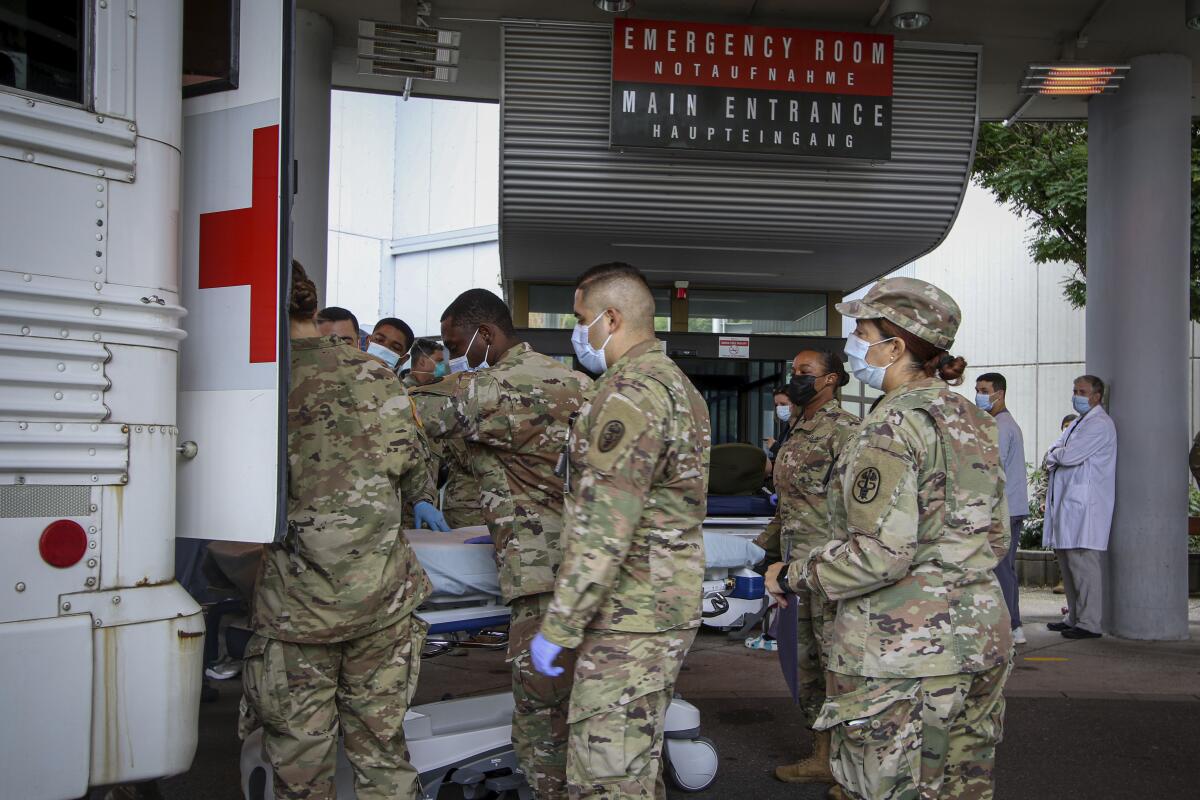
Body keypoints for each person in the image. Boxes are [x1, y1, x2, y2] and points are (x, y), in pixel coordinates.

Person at [765, 277, 1013, 800]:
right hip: (981, 639)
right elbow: (997, 536)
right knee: (961, 789)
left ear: (896, 347)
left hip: (904, 651)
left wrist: (791, 574)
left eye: (861, 333)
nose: (854, 346)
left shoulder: (890, 426)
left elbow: (878, 554)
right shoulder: (973, 419)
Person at [240, 262, 450, 800]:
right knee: (383, 753)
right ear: (313, 306)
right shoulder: (377, 376)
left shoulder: (260, 380)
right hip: (382, 601)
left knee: (300, 768)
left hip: (297, 611)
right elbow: (414, 471)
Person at [530, 262, 711, 799]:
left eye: (581, 317)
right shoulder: (678, 387)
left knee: (605, 777)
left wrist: (560, 627)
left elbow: (604, 527)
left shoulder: (629, 393)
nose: (577, 331)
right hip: (656, 609)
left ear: (610, 319)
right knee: (634, 762)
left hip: (629, 616)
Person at [418, 288, 591, 798]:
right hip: (587, 561)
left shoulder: (491, 387)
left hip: (541, 572)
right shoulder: (576, 381)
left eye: (456, 342)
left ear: (486, 334)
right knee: (584, 695)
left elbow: (405, 416)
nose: (454, 353)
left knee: (542, 710)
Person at [755, 350, 859, 787]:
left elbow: (858, 508)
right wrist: (764, 553)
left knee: (840, 665)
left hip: (831, 569)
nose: (794, 378)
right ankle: (821, 754)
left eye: (805, 373)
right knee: (808, 665)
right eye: (793, 370)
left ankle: (856, 767)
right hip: (796, 570)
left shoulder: (847, 430)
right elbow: (790, 503)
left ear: (831, 380)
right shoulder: (796, 426)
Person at [1043, 375, 1117, 640]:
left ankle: (1089, 623)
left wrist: (1056, 454)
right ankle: (1073, 616)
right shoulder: (1078, 423)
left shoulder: (1100, 424)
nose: (1076, 395)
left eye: (1082, 391)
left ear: (1096, 396)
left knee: (1084, 567)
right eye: (1075, 390)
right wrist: (1056, 453)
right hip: (1070, 505)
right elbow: (1053, 449)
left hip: (1086, 507)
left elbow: (1068, 454)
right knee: (1069, 565)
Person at [976, 372, 1029, 645]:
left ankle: (1013, 625)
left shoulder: (999, 426)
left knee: (1001, 568)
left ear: (1000, 393)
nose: (979, 395)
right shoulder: (1003, 423)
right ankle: (1011, 624)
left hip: (1004, 509)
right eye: (978, 389)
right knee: (1003, 567)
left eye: (984, 390)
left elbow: (990, 471)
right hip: (1010, 507)